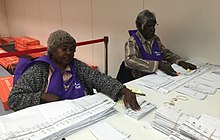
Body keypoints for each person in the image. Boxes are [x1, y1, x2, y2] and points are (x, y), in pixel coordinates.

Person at [8, 30, 140, 111]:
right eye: (64, 49)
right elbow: (14, 99)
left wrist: (123, 90)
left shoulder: (76, 66)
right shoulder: (39, 70)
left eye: (72, 49)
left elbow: (99, 78)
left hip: (80, 114)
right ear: (53, 50)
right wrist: (41, 96)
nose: (69, 53)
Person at [123, 9, 197, 80]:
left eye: (154, 26)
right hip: (141, 79)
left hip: (157, 77)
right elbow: (129, 61)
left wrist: (180, 62)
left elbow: (165, 53)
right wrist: (158, 65)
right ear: (139, 27)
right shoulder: (132, 41)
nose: (152, 29)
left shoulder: (155, 39)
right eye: (149, 26)